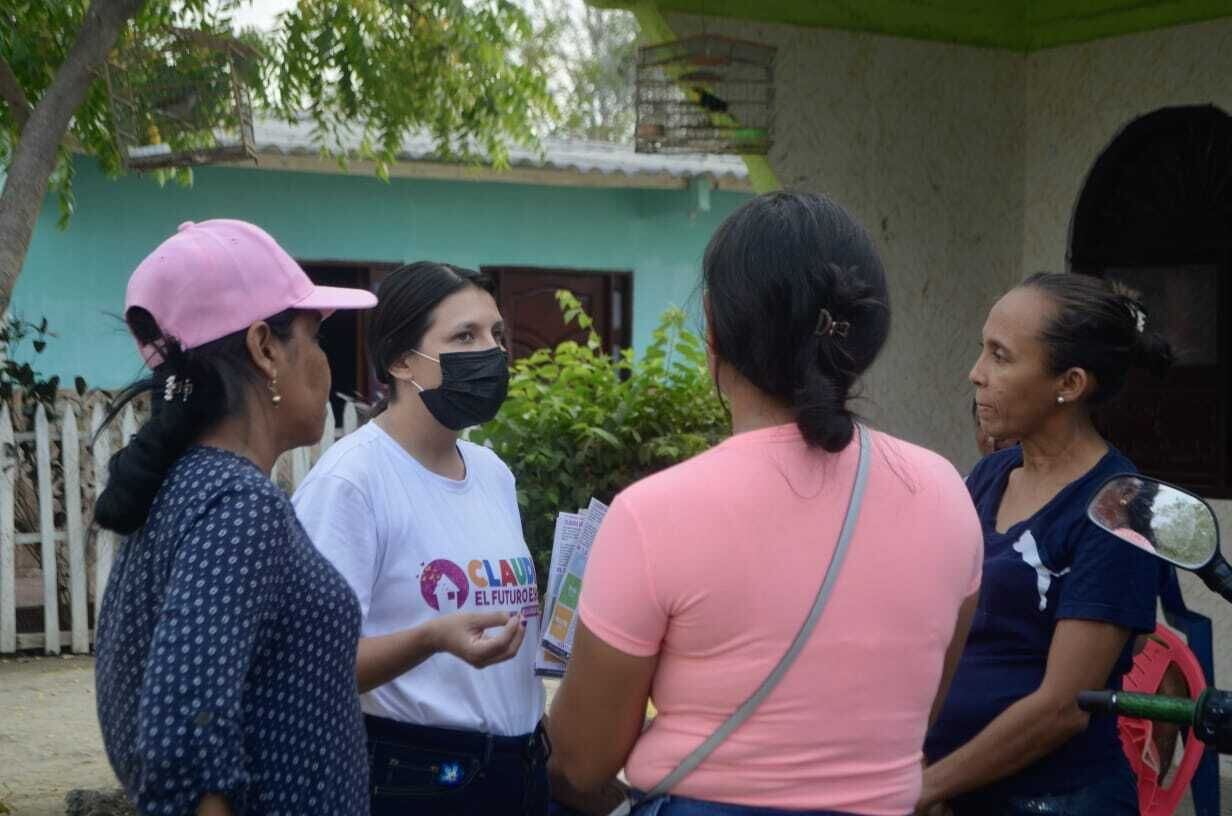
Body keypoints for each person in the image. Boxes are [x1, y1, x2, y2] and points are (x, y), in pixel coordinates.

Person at [547, 191, 984, 816]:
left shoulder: (654, 514)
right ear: (865, 330)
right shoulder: (945, 493)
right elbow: (917, 711)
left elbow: (582, 760)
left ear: (713, 325)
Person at [92, 219, 378, 815]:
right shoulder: (238, 507)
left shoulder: (185, 488)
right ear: (264, 348)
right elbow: (183, 749)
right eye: (315, 338)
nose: (326, 365)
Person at [292, 261, 547, 815]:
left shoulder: (491, 472)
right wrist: (430, 638)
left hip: (521, 768)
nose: (493, 353)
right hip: (419, 778)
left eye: (496, 335)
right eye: (465, 336)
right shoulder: (350, 483)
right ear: (401, 361)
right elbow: (308, 665)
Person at [922, 272, 1174, 815]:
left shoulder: (1119, 509)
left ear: (1070, 383)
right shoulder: (990, 476)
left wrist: (927, 787)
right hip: (958, 790)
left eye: (1001, 356)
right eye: (980, 350)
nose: (976, 373)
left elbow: (1063, 706)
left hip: (1053, 800)